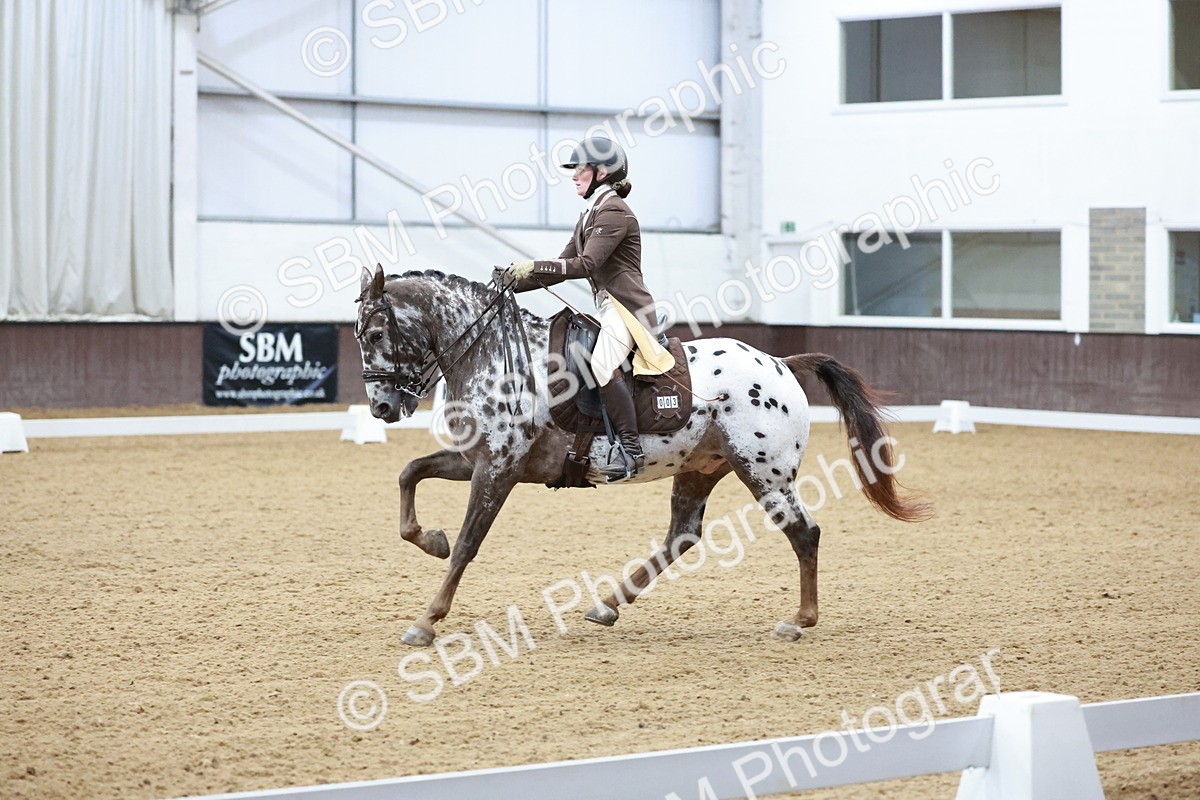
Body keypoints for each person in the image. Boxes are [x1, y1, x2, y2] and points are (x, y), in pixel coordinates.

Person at [501, 135, 664, 481]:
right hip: (608, 306)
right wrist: (511, 283)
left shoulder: (615, 211)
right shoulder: (590, 215)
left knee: (603, 364)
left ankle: (631, 450)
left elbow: (586, 264)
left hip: (626, 307)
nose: (574, 175)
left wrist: (534, 266)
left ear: (602, 171)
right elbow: (562, 265)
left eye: (580, 168)